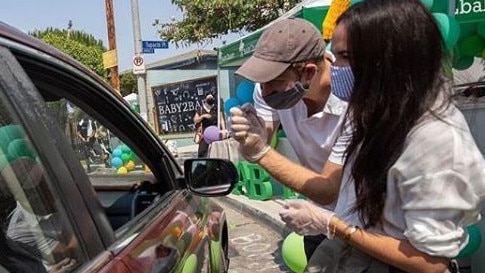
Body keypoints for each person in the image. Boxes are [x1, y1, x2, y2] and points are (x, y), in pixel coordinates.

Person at [233, 0, 485, 272]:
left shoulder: (436, 139)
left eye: (344, 56)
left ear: (388, 60)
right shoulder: (377, 113)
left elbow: (430, 263)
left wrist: (333, 225)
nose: (333, 66)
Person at [233, 17, 348, 259]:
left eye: (274, 81)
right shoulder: (269, 88)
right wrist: (248, 136)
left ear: (308, 73)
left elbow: (328, 189)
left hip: (364, 224)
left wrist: (261, 152)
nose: (264, 91)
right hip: (316, 217)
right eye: (261, 83)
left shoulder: (353, 99)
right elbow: (262, 136)